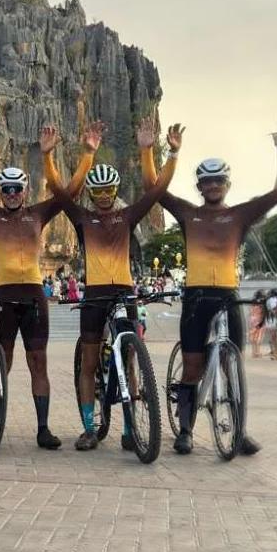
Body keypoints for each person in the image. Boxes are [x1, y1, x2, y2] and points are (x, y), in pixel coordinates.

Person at [140, 118, 277, 455]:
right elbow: (152, 186)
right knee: (193, 367)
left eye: (218, 181)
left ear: (226, 184)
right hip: (196, 298)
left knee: (232, 367)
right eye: (207, 181)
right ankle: (185, 430)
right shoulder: (187, 213)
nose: (213, 186)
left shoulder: (240, 215)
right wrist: (153, 150)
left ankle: (238, 432)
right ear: (199, 186)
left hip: (228, 297)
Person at [0, 117, 101, 450]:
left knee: (38, 362)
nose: (12, 194)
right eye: (6, 189)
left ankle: (43, 429)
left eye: (17, 189)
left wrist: (85, 154)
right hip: (2, 295)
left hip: (33, 298)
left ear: (26, 191)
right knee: (2, 362)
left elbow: (69, 193)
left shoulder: (38, 214)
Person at [47, 117, 177, 451]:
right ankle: (90, 427)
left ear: (116, 192)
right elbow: (59, 193)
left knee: (131, 358)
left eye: (109, 191)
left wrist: (155, 151)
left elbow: (158, 190)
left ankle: (131, 427)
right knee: (89, 363)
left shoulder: (126, 216)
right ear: (91, 194)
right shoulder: (83, 218)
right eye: (97, 191)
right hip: (94, 296)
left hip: (123, 292)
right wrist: (68, 155)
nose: (103, 196)